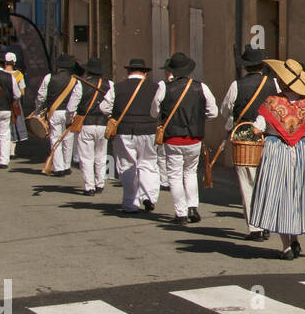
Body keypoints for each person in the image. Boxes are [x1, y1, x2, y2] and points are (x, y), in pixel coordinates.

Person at [248, 58, 305, 260]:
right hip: (303, 152)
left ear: (283, 82)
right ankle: (294, 239)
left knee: (280, 195)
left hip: (276, 152)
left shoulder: (271, 103)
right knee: (297, 195)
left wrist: (262, 130)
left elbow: (257, 128)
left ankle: (286, 246)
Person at [150, 52, 218, 224]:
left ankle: (180, 213)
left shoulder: (165, 87)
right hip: (194, 138)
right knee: (190, 173)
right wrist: (198, 119)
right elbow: (213, 112)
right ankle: (193, 207)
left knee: (174, 175)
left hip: (172, 138)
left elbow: (154, 112)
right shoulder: (201, 87)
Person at [220, 46, 278, 240]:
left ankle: (255, 228)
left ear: (246, 67)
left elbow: (225, 109)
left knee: (248, 184)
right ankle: (268, 222)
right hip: (269, 139)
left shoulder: (237, 85)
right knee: (267, 184)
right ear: (263, 65)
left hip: (245, 139)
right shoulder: (274, 85)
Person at [104, 59, 159, 214]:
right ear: (145, 73)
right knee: (148, 164)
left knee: (127, 166)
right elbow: (158, 108)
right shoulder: (155, 87)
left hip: (124, 130)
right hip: (148, 130)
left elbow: (104, 107)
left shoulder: (117, 87)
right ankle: (149, 196)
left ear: (128, 72)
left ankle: (130, 203)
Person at [35, 54, 82, 177]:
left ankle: (58, 167)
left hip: (54, 112)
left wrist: (38, 109)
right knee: (68, 139)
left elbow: (41, 95)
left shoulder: (49, 77)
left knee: (55, 139)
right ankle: (67, 166)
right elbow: (77, 97)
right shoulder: (75, 80)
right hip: (70, 112)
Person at [74, 58, 111, 195]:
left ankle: (89, 186)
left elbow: (73, 105)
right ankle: (100, 183)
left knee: (86, 157)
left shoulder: (81, 84)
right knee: (101, 156)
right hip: (103, 123)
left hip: (86, 123)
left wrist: (71, 119)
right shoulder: (110, 84)